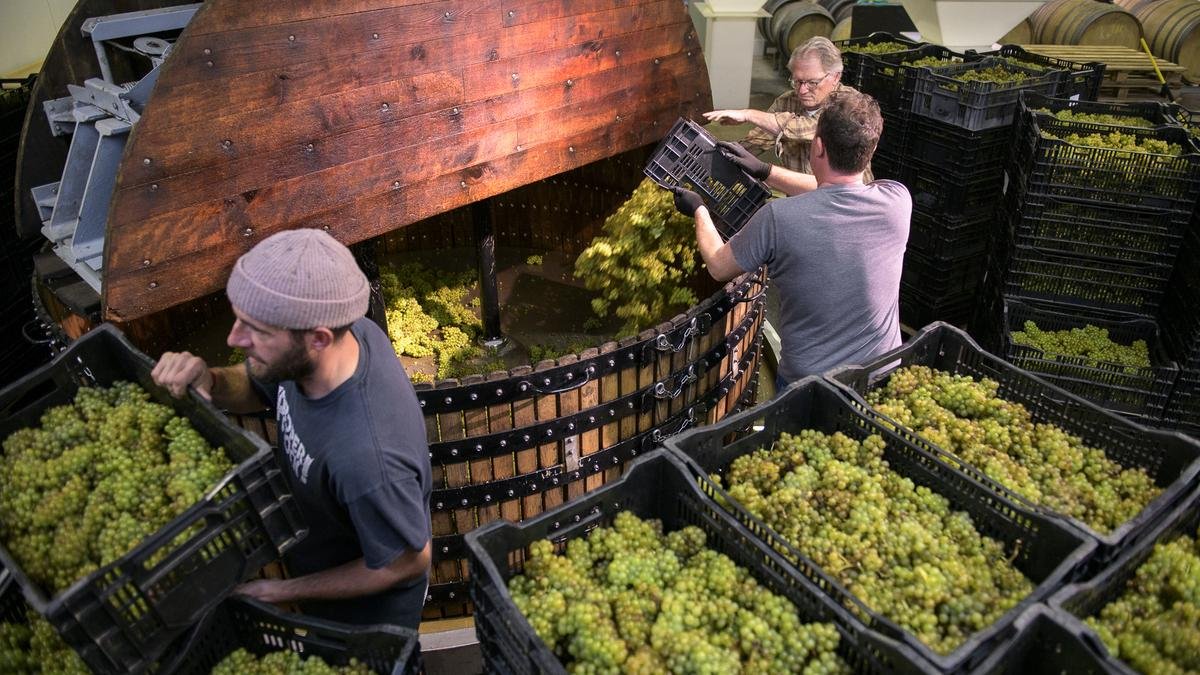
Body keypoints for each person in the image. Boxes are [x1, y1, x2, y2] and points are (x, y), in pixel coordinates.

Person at [151, 228, 432, 630]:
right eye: (239, 319)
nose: (234, 338)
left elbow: (407, 562)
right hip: (318, 565)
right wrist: (209, 379)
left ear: (318, 338)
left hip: (366, 621)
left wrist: (282, 591)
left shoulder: (368, 458)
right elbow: (258, 385)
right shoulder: (340, 342)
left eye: (257, 330)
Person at [672, 91, 910, 389]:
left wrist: (699, 209)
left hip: (808, 385)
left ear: (818, 146)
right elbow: (840, 188)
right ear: (871, 148)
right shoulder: (897, 201)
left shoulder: (778, 218)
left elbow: (719, 266)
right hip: (882, 371)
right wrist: (766, 171)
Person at [704, 36, 871, 180]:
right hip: (799, 198)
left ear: (835, 77)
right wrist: (716, 155)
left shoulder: (851, 104)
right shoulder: (787, 102)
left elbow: (805, 128)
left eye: (812, 82)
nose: (802, 90)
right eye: (797, 81)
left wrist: (748, 114)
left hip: (844, 200)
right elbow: (759, 140)